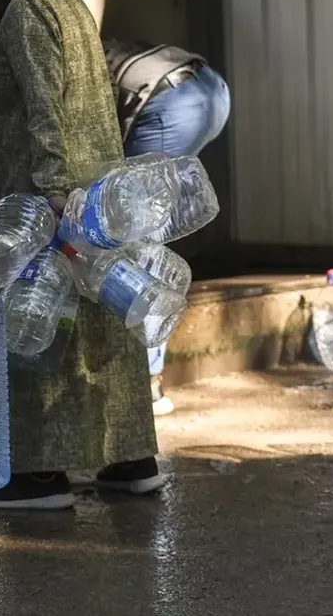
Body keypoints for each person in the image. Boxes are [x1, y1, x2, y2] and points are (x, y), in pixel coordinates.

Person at [0, 0, 165, 510]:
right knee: (102, 331)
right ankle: (130, 461)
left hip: (46, 199)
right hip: (97, 188)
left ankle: (38, 475)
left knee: (39, 328)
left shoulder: (24, 10)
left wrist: (50, 188)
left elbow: (47, 101)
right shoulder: (68, 0)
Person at [104, 38, 230, 415]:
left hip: (172, 102)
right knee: (145, 221)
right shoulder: (87, 43)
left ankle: (148, 384)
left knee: (139, 239)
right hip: (210, 90)